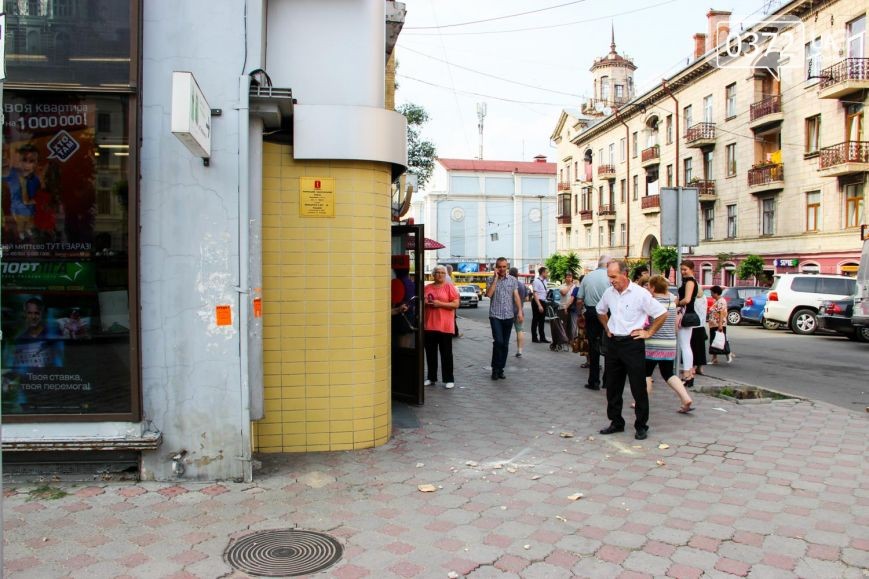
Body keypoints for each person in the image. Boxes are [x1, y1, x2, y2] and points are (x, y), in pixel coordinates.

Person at [596, 260, 668, 441]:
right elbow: (600, 310)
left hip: (632, 343)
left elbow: (662, 313)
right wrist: (607, 327)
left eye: (614, 276)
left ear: (625, 274)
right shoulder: (609, 293)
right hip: (613, 343)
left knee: (638, 386)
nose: (611, 280)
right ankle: (616, 422)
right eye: (609, 277)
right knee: (613, 386)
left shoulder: (640, 293)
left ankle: (641, 425)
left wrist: (649, 332)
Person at [645, 275, 693, 413]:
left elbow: (646, 323)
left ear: (653, 287)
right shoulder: (672, 303)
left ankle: (641, 401)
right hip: (670, 343)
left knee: (645, 373)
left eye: (648, 286)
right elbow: (674, 325)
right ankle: (685, 398)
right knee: (668, 374)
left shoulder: (651, 303)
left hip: (652, 344)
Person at [577, 255, 612, 390]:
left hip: (591, 313)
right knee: (609, 346)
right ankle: (607, 380)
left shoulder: (587, 277)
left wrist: (580, 314)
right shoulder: (610, 277)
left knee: (593, 346)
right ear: (608, 264)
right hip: (608, 313)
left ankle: (594, 381)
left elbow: (579, 299)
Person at [423, 266, 460, 389]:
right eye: (437, 272)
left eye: (442, 273)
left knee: (446, 354)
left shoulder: (449, 287)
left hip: (445, 326)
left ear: (445, 275)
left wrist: (440, 304)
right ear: (433, 275)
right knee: (430, 353)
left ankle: (449, 379)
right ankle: (431, 377)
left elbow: (456, 304)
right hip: (429, 325)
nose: (440, 275)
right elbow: (421, 302)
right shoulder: (427, 287)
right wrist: (425, 302)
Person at [486, 257, 523, 380]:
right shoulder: (490, 279)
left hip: (508, 316)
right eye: (499, 267)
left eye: (504, 266)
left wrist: (520, 311)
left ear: (507, 267)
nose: (502, 269)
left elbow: (516, 296)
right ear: (496, 267)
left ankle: (500, 369)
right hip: (495, 316)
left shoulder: (512, 280)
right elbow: (489, 294)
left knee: (505, 344)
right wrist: (495, 279)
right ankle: (494, 369)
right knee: (498, 342)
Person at [5, 143, 42, 240]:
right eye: (24, 160)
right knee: (21, 224)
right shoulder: (12, 174)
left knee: (29, 222)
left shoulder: (36, 178)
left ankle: (27, 230)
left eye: (32, 160)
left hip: (31, 209)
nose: (27, 163)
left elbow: (40, 193)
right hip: (18, 209)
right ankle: (21, 232)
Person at [676, 259, 700, 382]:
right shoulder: (691, 281)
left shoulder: (690, 282)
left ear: (691, 269)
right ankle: (689, 374)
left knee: (684, 345)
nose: (683, 272)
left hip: (686, 313)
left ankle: (687, 374)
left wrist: (676, 303)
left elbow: (687, 299)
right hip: (688, 313)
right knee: (686, 345)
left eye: (685, 269)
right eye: (681, 270)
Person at [708, 285, 734, 364]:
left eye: (712, 293)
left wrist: (720, 325)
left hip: (718, 324)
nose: (711, 294)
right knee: (714, 341)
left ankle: (728, 353)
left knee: (720, 340)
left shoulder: (721, 301)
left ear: (716, 293)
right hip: (713, 324)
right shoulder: (716, 301)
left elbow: (721, 313)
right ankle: (715, 358)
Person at [688, 290, 708, 386]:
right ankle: (700, 367)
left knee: (692, 347)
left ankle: (693, 367)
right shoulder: (704, 298)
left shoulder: (693, 299)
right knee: (700, 348)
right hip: (701, 325)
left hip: (693, 324)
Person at [509, 266, 528, 357]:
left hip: (508, 312)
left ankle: (504, 348)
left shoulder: (509, 284)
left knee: (506, 331)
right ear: (517, 274)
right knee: (519, 331)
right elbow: (527, 298)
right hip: (519, 312)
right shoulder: (522, 285)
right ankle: (519, 351)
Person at [530, 266, 549, 343]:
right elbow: (535, 294)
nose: (547, 274)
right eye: (546, 272)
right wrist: (539, 305)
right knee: (535, 320)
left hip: (543, 301)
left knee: (542, 320)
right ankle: (534, 337)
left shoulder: (545, 281)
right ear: (543, 273)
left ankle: (542, 337)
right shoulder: (536, 281)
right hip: (537, 302)